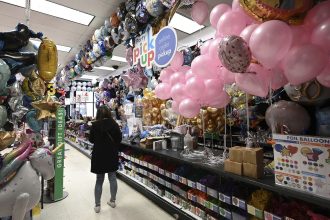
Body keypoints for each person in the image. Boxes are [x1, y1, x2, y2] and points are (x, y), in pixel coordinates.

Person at [89, 105, 122, 213]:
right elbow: (119, 139)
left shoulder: (95, 125)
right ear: (108, 113)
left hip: (99, 154)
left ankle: (97, 205)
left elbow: (91, 140)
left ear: (98, 114)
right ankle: (112, 201)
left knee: (99, 180)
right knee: (112, 177)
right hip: (111, 153)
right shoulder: (114, 124)